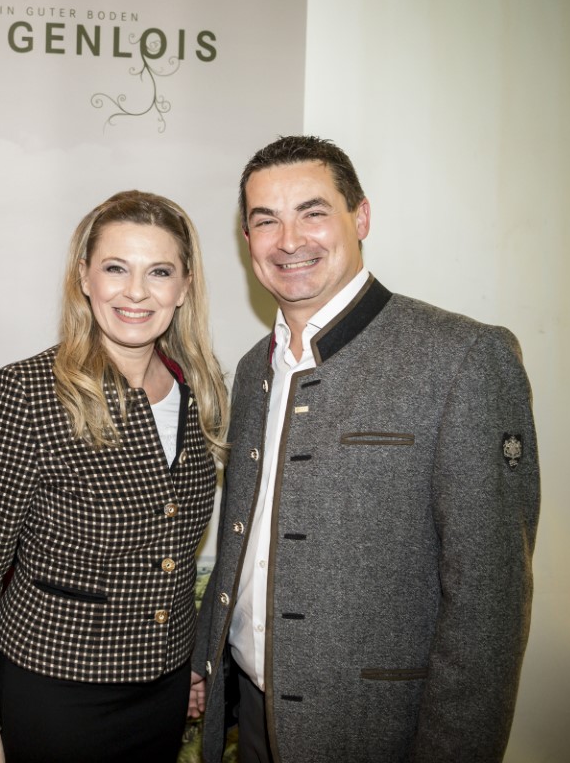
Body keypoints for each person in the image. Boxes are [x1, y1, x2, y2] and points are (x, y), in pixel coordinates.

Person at [190, 135, 540, 763]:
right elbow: (248, 541)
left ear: (361, 217)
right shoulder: (251, 371)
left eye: (313, 212)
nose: (289, 240)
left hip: (376, 732)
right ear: (247, 240)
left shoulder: (463, 359)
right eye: (266, 221)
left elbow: (488, 610)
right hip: (251, 721)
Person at [0, 191, 229, 763]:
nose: (136, 292)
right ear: (84, 277)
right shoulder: (27, 393)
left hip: (165, 689)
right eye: (115, 268)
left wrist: (190, 660)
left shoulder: (202, 391)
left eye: (159, 272)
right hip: (57, 691)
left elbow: (173, 554)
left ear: (184, 286)